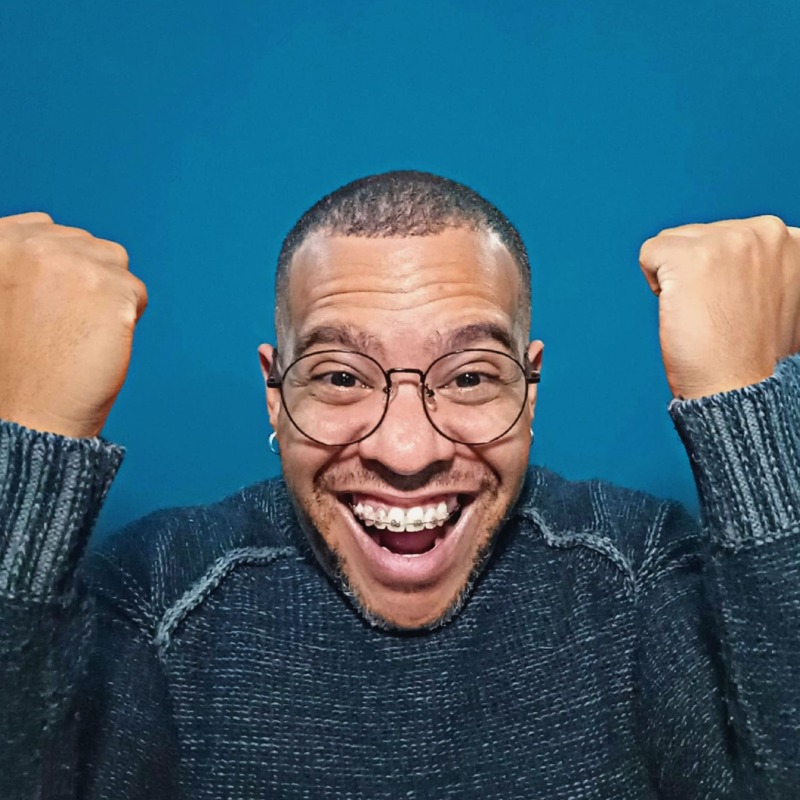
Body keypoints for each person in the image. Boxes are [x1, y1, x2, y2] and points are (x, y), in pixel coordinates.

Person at [0, 171, 798, 799]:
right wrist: (29, 440)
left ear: (530, 389)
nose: (408, 450)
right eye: (341, 376)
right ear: (275, 396)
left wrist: (750, 409)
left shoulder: (640, 573)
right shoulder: (153, 598)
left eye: (471, 376)